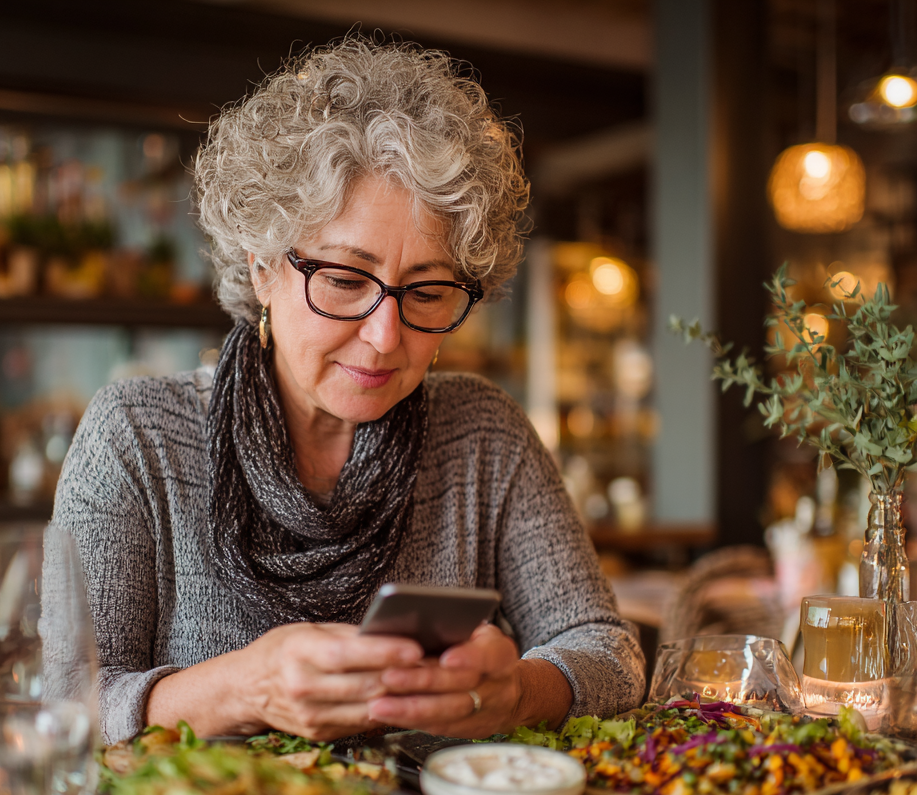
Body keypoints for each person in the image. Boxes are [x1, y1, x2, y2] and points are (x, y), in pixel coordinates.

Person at [53, 37, 645, 746]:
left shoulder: (482, 433)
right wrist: (244, 689)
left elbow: (609, 651)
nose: (386, 336)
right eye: (342, 280)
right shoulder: (136, 435)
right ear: (263, 267)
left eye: (427, 290)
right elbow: (62, 704)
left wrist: (517, 692)